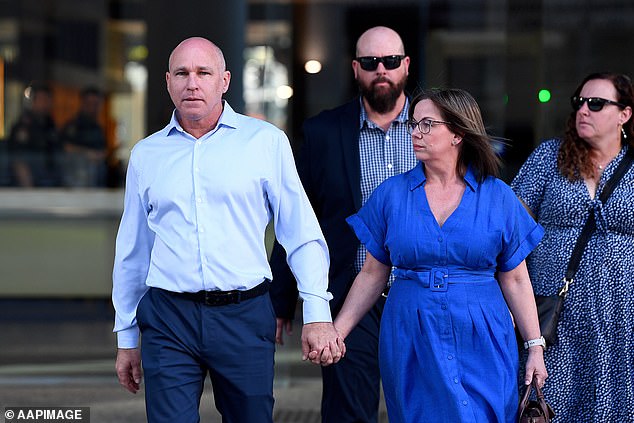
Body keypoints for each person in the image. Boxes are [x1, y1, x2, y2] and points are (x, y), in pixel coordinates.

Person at [112, 36, 344, 423]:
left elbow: (300, 231)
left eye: (204, 72)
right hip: (169, 318)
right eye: (182, 73)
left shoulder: (265, 142)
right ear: (167, 81)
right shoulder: (146, 154)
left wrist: (317, 312)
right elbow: (133, 251)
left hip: (244, 313)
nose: (193, 83)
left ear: (225, 80)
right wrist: (127, 337)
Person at [331, 88, 548, 423]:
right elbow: (372, 274)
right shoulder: (391, 194)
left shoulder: (498, 196)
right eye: (414, 124)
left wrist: (535, 347)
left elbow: (516, 278)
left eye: (428, 124)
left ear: (458, 133)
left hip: (484, 331)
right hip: (411, 331)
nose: (415, 132)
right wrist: (337, 332)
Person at [269, 26, 416, 422]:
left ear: (405, 65)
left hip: (421, 294)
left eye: (389, 61)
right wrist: (281, 298)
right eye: (370, 63)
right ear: (355, 69)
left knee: (426, 406)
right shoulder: (323, 133)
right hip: (349, 294)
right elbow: (296, 217)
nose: (380, 70)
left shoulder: (433, 129)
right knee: (349, 411)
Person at [511, 72, 634, 422]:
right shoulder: (550, 157)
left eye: (596, 104)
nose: (584, 110)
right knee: (553, 406)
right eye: (579, 102)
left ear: (624, 114)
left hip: (622, 320)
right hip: (556, 317)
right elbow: (510, 228)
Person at [7, 83, 60, 187]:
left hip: (50, 174)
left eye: (48, 100)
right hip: (30, 177)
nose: (45, 103)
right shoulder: (23, 125)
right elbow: (17, 158)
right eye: (42, 99)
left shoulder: (50, 124)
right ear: (33, 102)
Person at [60, 86, 108, 187]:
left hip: (96, 178)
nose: (92, 108)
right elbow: (66, 147)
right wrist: (88, 154)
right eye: (89, 104)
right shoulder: (73, 126)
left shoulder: (98, 128)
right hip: (76, 178)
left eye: (96, 104)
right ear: (82, 103)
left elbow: (103, 151)